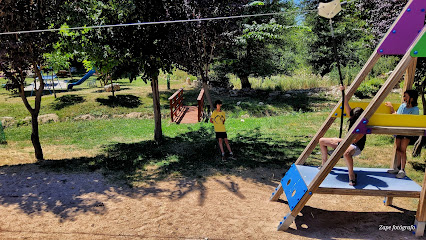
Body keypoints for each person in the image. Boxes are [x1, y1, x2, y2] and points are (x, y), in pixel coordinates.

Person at [319, 85, 367, 186]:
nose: (351, 118)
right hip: (346, 142)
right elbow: (345, 104)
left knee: (346, 153)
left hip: (355, 147)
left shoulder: (362, 127)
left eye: (353, 117)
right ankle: (324, 165)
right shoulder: (353, 116)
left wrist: (339, 140)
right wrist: (343, 91)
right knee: (322, 141)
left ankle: (352, 176)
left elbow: (354, 141)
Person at [385, 90, 419, 178]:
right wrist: (391, 108)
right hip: (399, 130)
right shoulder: (402, 106)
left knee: (403, 150)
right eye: (404, 96)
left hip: (407, 132)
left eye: (406, 96)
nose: (404, 98)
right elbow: (397, 116)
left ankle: (402, 170)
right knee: (398, 149)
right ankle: (397, 167)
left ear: (412, 98)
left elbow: (411, 120)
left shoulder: (415, 109)